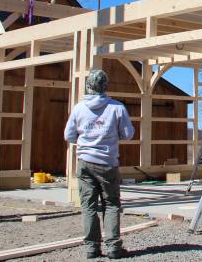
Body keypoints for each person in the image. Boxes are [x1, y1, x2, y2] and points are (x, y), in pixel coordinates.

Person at [64, 69, 135, 260]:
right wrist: (112, 133)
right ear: (105, 86)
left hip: (85, 162)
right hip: (107, 163)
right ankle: (113, 248)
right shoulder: (117, 107)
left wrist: (85, 137)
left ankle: (92, 249)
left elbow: (69, 136)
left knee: (89, 206)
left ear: (88, 85)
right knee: (111, 204)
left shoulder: (79, 108)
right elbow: (128, 134)